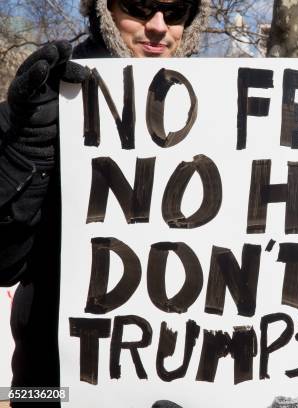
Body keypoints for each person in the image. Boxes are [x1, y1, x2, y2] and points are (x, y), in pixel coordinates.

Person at [0, 0, 207, 405]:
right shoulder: (42, 102)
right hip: (48, 386)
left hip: (190, 384)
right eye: (141, 7)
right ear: (103, 10)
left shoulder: (232, 119)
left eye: (177, 11)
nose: (158, 27)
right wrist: (26, 150)